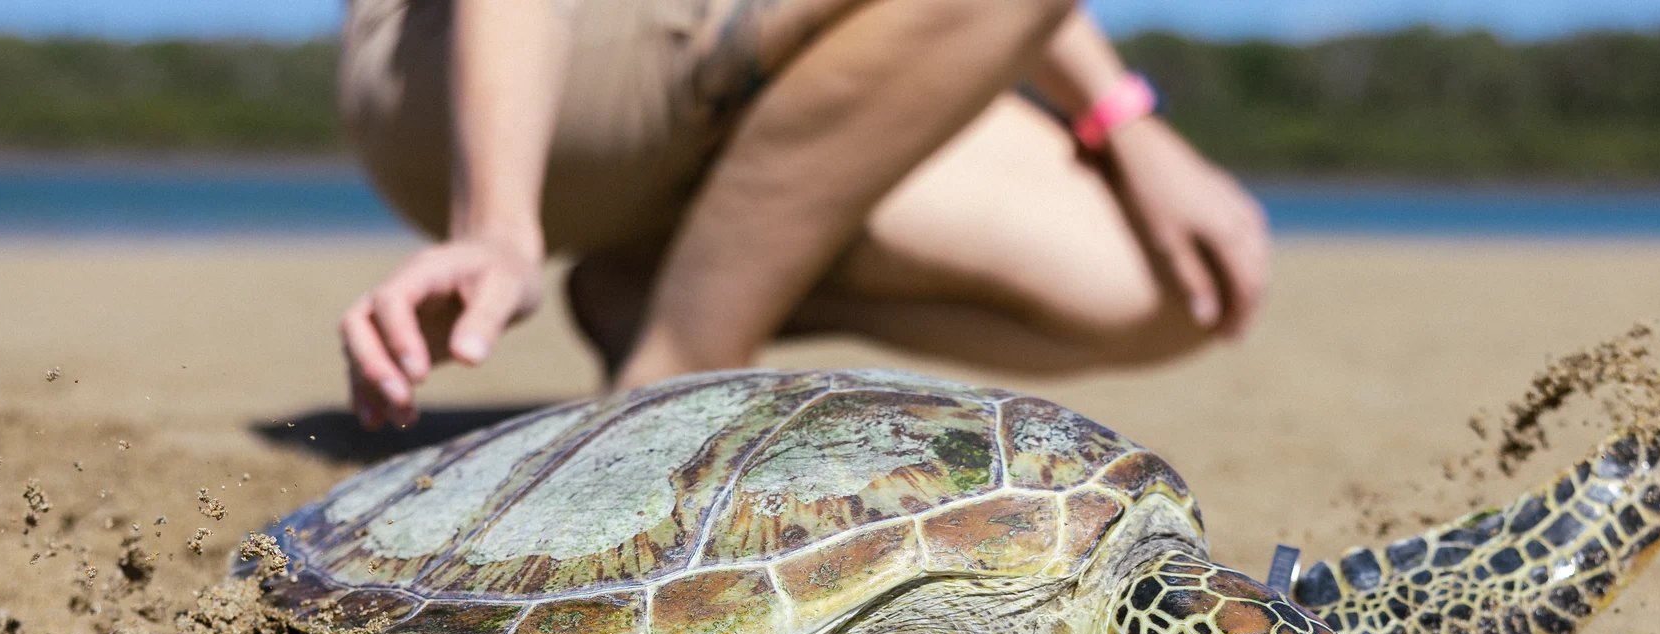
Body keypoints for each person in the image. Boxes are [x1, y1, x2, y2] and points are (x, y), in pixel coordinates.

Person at [338, 0, 1271, 429]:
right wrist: (496, 220)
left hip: (749, 71)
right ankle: (675, 374)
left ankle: (659, 293)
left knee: (1166, 292)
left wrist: (1127, 126)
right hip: (480, 63)